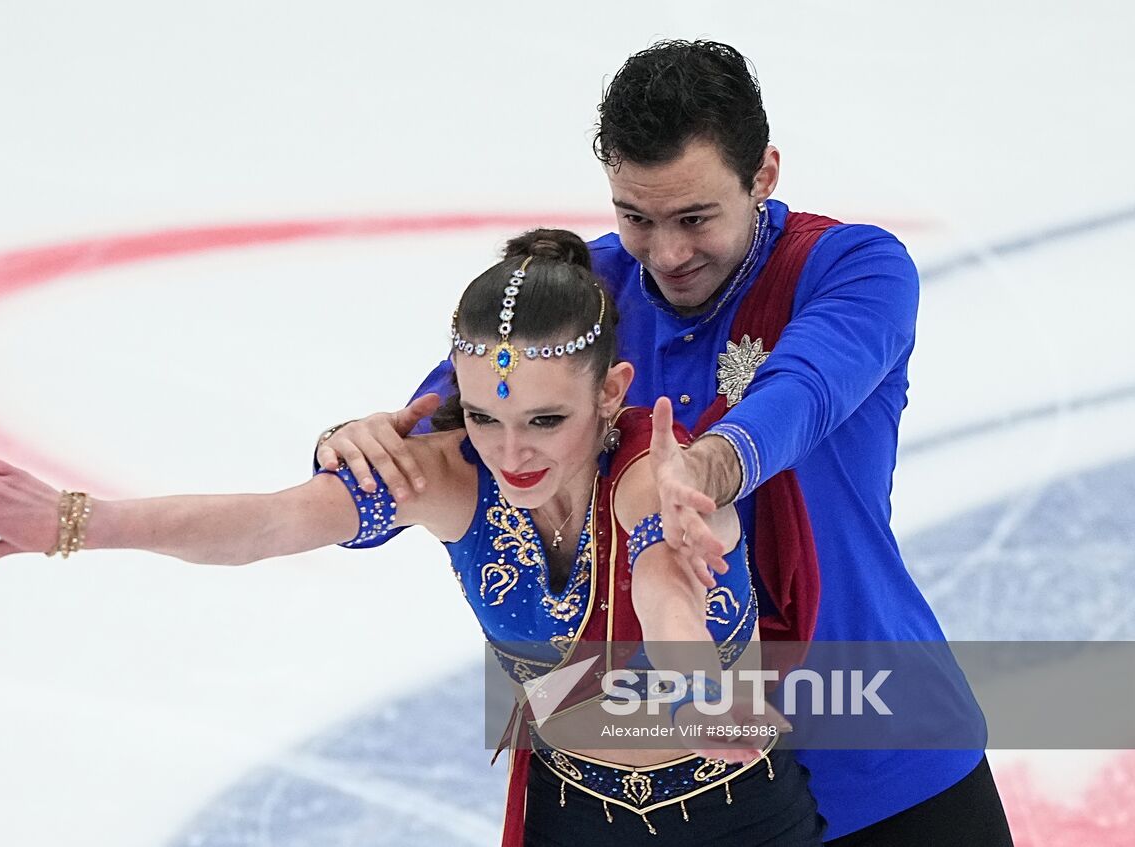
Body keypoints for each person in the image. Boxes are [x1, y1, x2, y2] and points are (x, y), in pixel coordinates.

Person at [0, 230, 825, 846]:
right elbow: (271, 520)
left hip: (739, 819)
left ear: (613, 391)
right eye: (484, 416)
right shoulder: (447, 479)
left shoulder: (651, 483)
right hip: (571, 815)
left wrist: (704, 690)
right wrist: (81, 522)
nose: (512, 452)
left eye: (546, 421)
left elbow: (667, 586)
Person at [313, 41, 1014, 845]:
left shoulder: (852, 268)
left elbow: (805, 390)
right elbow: (459, 411)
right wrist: (361, 442)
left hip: (881, 749)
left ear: (764, 174)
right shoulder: (586, 296)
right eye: (636, 218)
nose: (668, 252)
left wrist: (709, 466)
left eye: (695, 218)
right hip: (658, 791)